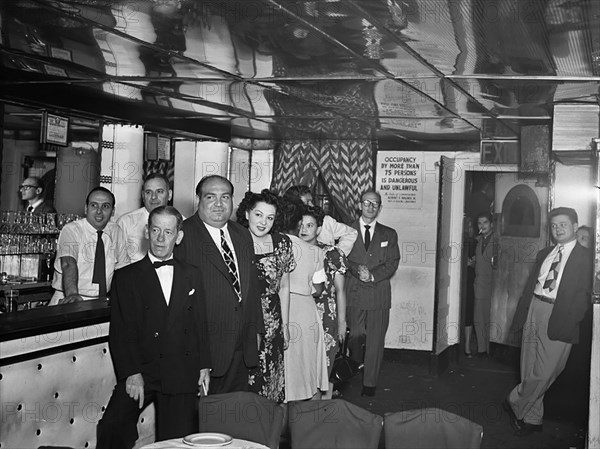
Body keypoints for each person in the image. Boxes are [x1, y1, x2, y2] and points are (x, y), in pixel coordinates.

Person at [96, 206, 211, 449]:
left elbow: (200, 322)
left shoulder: (193, 274)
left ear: (178, 237)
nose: (160, 238)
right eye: (156, 230)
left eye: (168, 232)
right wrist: (131, 373)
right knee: (112, 428)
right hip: (143, 368)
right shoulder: (126, 277)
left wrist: (203, 366)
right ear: (147, 232)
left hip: (180, 368)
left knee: (177, 442)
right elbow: (120, 331)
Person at [505, 207, 592, 437]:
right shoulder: (545, 253)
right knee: (528, 367)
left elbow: (586, 295)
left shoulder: (586, 258)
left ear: (574, 227)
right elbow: (532, 285)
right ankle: (532, 419)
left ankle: (515, 399)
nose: (558, 229)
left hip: (561, 315)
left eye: (563, 224)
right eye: (554, 226)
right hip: (535, 307)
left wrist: (574, 317)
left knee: (546, 372)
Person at [174, 175, 263, 394]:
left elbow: (251, 288)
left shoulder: (242, 235)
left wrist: (257, 330)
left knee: (233, 417)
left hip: (242, 348)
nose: (219, 204)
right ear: (198, 200)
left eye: (225, 197)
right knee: (204, 420)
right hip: (205, 352)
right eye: (210, 197)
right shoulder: (183, 235)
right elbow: (177, 302)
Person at [236, 189, 296, 403]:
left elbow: (285, 286)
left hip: (273, 324)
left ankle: (266, 433)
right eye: (258, 215)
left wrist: (286, 326)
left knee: (270, 382)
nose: (263, 222)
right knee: (244, 384)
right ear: (247, 214)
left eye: (270, 217)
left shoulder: (282, 243)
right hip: (242, 321)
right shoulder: (235, 241)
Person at [346, 190, 400, 397]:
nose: (371, 207)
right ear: (359, 205)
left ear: (380, 208)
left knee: (376, 340)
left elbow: (393, 261)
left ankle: (370, 383)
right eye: (367, 203)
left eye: (375, 204)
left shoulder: (389, 234)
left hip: (378, 293)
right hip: (354, 292)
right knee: (356, 334)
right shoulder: (347, 230)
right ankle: (355, 361)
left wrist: (373, 275)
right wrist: (355, 269)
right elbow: (338, 256)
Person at [276, 196, 328, 401]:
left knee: (282, 366)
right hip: (305, 311)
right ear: (298, 223)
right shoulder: (315, 251)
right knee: (306, 366)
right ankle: (305, 424)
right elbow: (318, 289)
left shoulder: (272, 244)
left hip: (277, 307)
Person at [297, 205, 348, 399]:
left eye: (310, 225)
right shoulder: (291, 250)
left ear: (318, 229)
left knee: (323, 370)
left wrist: (342, 323)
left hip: (326, 318)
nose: (304, 229)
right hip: (300, 315)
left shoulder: (332, 254)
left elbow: (341, 291)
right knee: (302, 369)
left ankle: (318, 416)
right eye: (301, 224)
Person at [49, 187, 129, 305]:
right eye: (94, 205)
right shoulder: (72, 230)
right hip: (70, 299)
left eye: (105, 206)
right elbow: (68, 263)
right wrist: (72, 294)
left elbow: (124, 269)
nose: (99, 211)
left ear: (112, 211)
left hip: (103, 301)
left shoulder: (116, 231)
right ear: (86, 209)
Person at [284, 185, 357, 256]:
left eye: (311, 201)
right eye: (307, 201)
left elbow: (351, 233)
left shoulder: (325, 221)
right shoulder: (285, 224)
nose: (311, 205)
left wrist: (336, 254)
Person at [117, 173, 173, 263]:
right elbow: (118, 261)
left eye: (159, 191)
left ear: (169, 195)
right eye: (148, 192)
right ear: (143, 196)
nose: (153, 197)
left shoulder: (182, 222)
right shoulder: (126, 222)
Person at [470, 211, 498, 357]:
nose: (482, 226)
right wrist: (472, 263)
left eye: (485, 222)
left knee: (490, 318)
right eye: (480, 223)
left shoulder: (498, 241)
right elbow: (478, 262)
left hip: (493, 286)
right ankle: (482, 349)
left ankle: (490, 348)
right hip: (479, 285)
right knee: (478, 318)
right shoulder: (478, 241)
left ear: (491, 224)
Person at [462, 217, 477, 358]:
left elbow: (478, 264)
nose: (468, 229)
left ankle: (466, 346)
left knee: (468, 313)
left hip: (469, 281)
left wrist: (472, 263)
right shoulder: (454, 241)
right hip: (459, 281)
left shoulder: (475, 243)